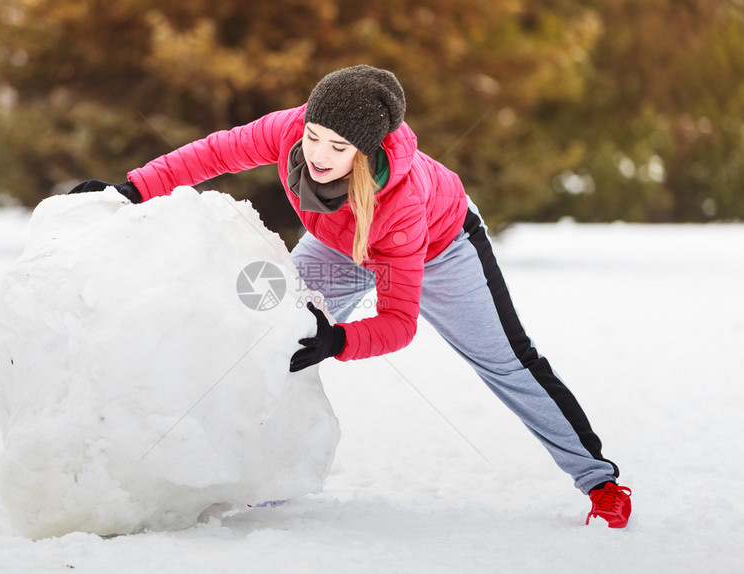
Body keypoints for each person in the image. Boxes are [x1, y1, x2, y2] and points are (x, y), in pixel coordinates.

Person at [70, 65, 632, 528]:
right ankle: (255, 475)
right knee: (262, 332)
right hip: (338, 247)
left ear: (363, 153)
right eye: (314, 136)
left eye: (336, 147)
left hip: (437, 250)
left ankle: (599, 480)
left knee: (507, 362)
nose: (316, 153)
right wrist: (134, 188)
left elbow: (399, 321)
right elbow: (216, 153)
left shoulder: (403, 203)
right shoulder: (294, 130)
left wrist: (336, 339)